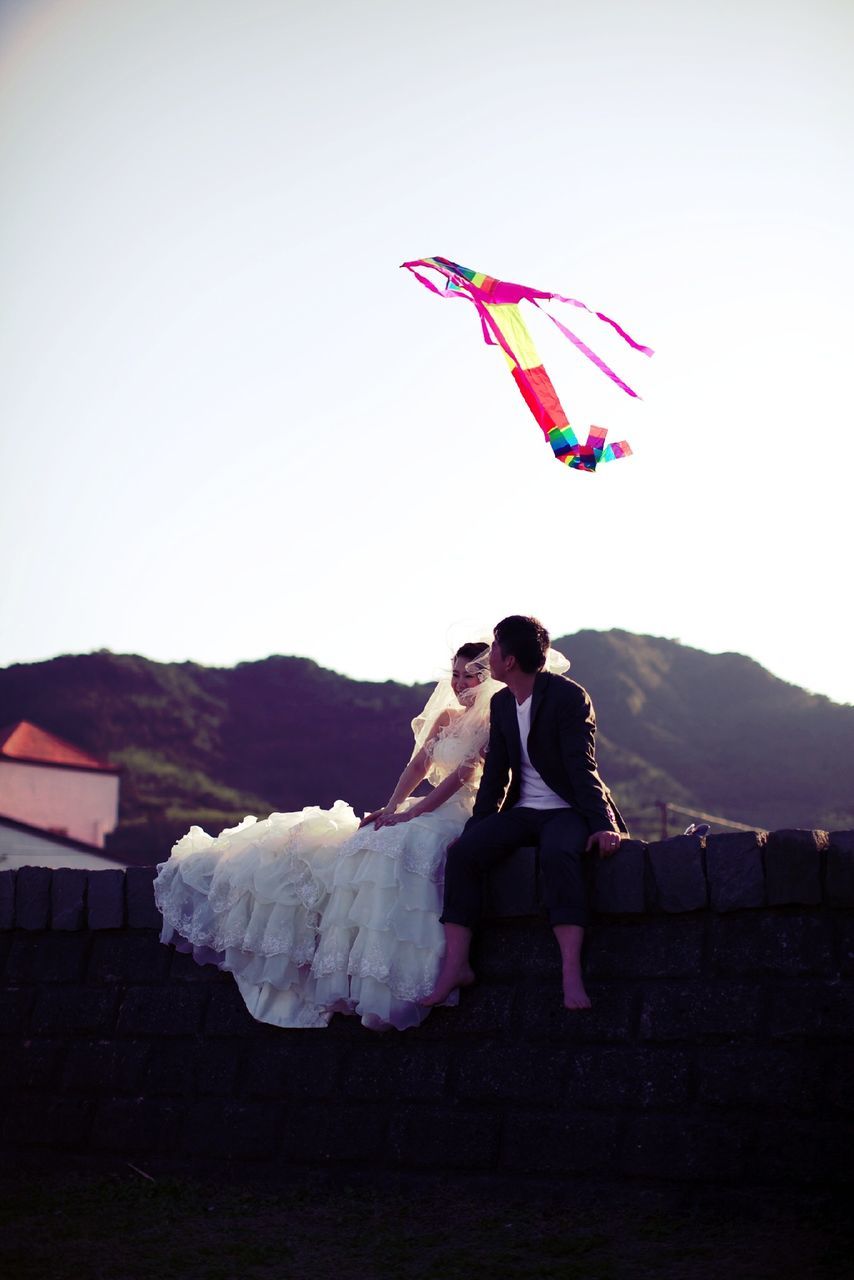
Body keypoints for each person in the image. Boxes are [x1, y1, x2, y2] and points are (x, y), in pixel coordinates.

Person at [154, 642, 499, 1031]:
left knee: (401, 846)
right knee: (368, 838)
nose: (459, 683)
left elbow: (463, 776)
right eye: (454, 673)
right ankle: (350, 972)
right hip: (425, 804)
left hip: (460, 811)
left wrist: (416, 813)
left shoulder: (492, 719)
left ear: (486, 679)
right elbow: (419, 764)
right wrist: (392, 807)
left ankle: (400, 978)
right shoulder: (447, 717)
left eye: (468, 675)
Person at [423, 615, 627, 1012]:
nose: (489, 656)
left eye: (494, 648)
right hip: (523, 810)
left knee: (558, 856)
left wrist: (603, 825)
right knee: (463, 854)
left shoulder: (569, 697)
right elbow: (497, 774)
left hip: (567, 809)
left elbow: (583, 767)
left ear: (510, 661)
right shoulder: (501, 703)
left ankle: (570, 972)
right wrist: (476, 828)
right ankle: (457, 966)